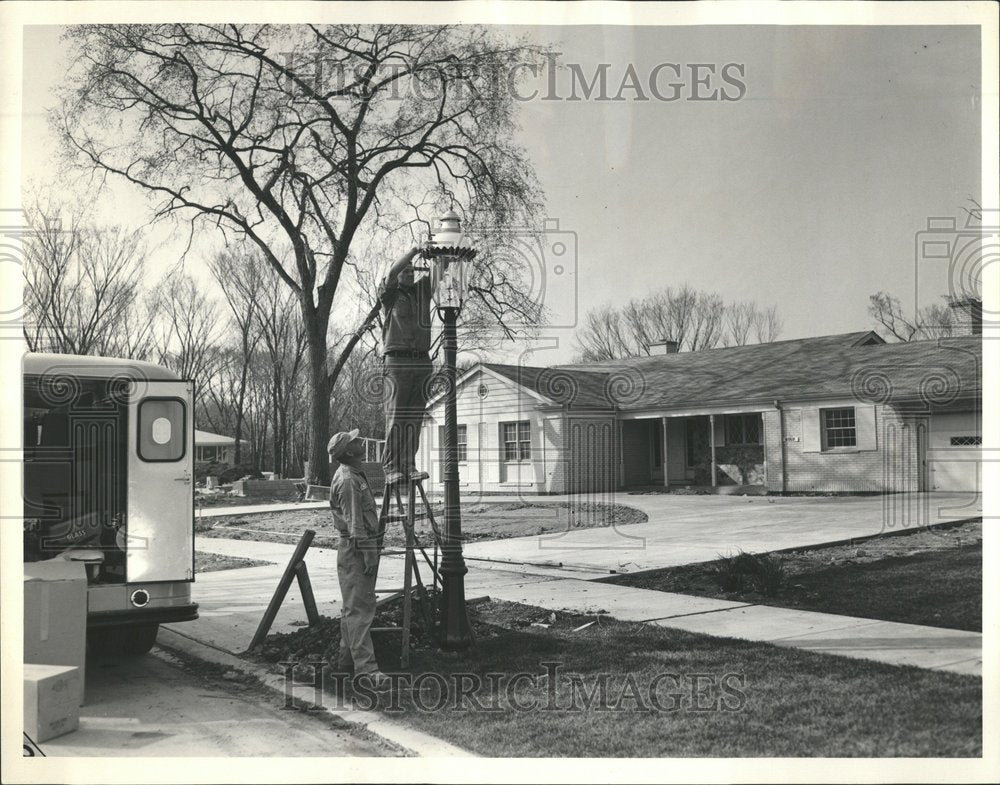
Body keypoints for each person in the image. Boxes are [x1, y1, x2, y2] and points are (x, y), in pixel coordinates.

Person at [328, 428, 389, 689]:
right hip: (357, 549)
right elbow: (355, 525)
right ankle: (367, 670)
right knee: (361, 611)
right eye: (355, 441)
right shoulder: (348, 480)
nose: (360, 441)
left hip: (358, 548)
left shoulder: (354, 474)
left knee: (353, 608)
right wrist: (369, 554)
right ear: (349, 451)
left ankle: (345, 662)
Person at [379, 245, 434, 486]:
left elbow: (439, 272)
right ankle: (391, 466)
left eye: (413, 272)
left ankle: (408, 465)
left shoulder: (422, 291)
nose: (410, 275)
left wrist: (438, 252)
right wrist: (413, 252)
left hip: (422, 360)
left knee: (414, 416)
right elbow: (392, 273)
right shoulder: (390, 295)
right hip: (397, 361)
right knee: (397, 415)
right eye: (406, 271)